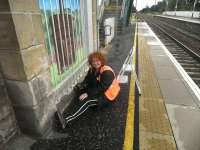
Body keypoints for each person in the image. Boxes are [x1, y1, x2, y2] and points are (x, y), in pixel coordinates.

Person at [58, 52, 120, 128]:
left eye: (97, 61)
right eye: (93, 61)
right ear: (91, 62)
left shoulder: (107, 72)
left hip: (107, 95)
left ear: (101, 60)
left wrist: (88, 93)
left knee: (87, 101)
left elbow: (102, 87)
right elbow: (87, 80)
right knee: (80, 92)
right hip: (100, 90)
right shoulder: (92, 69)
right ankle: (75, 109)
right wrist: (81, 85)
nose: (95, 63)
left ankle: (66, 121)